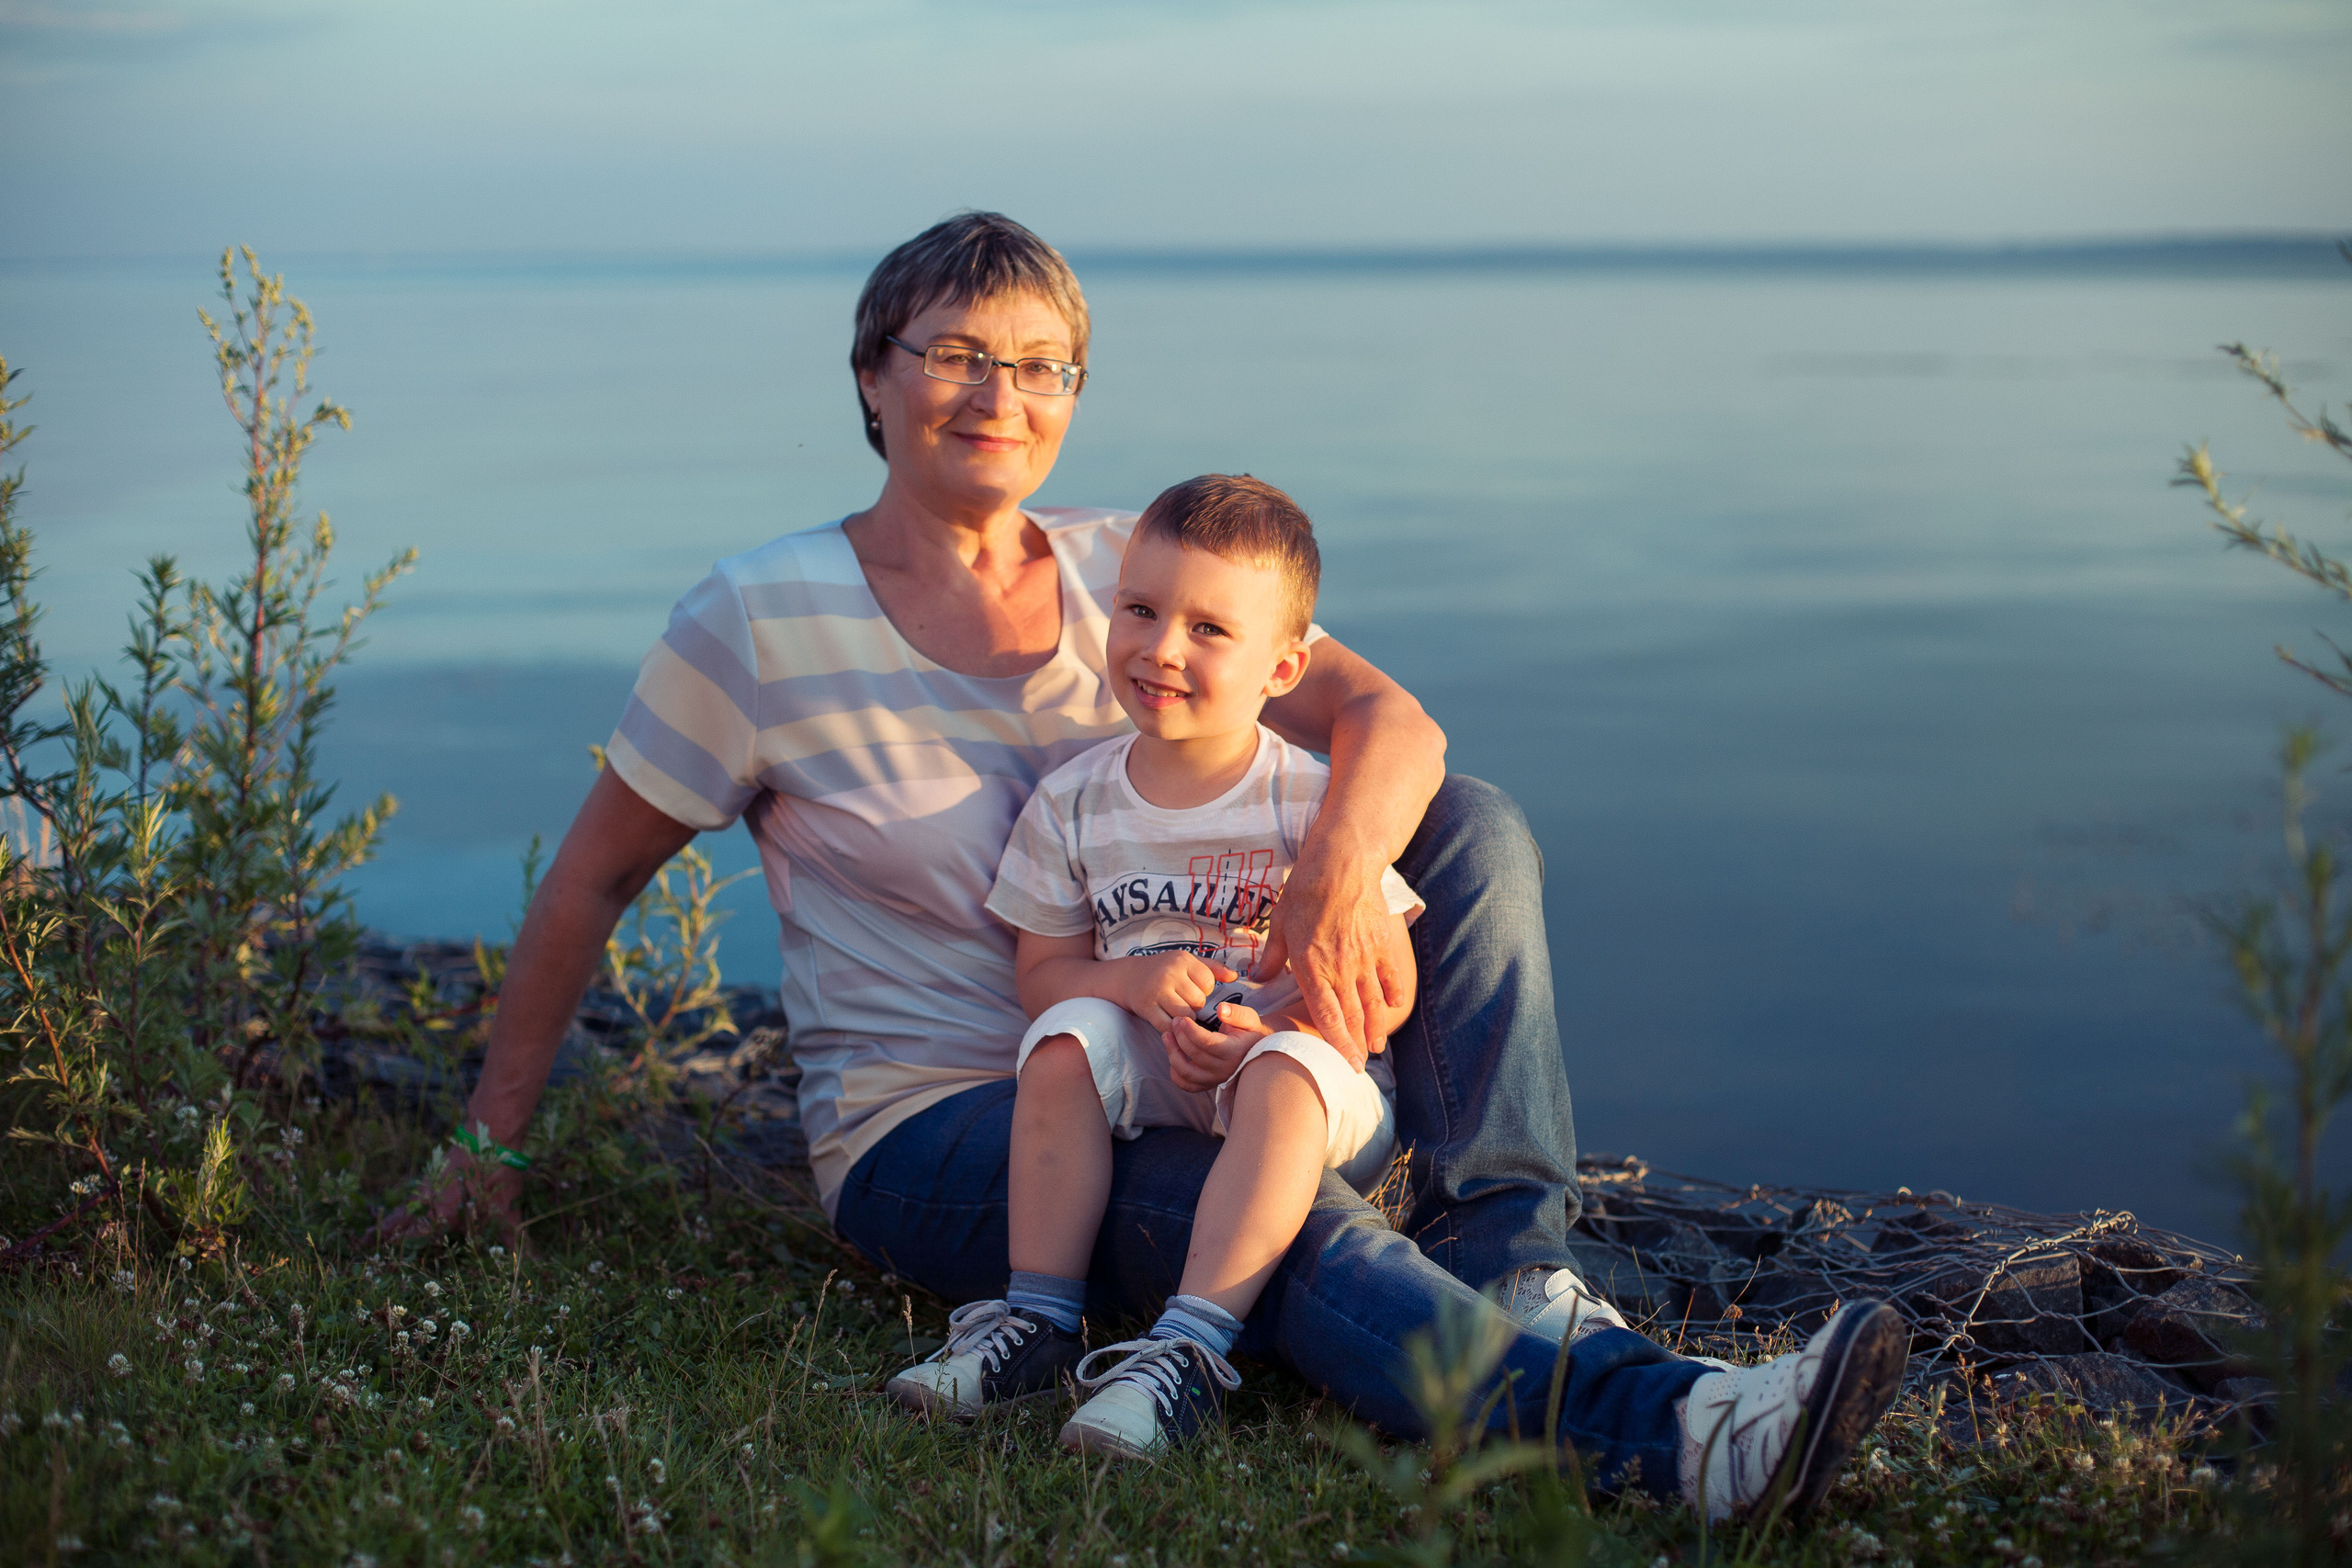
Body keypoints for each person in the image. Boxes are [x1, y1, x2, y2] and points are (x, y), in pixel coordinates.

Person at [386, 211, 1905, 1522]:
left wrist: (1328, 886)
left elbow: (1393, 724)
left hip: (1201, 1059)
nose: (1000, 394)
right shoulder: (755, 620)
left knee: (1470, 822)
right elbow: (592, 881)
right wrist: (487, 1145)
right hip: (945, 1122)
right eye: (954, 353)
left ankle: (1513, 1260)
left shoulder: (1133, 572)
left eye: (1041, 363)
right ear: (870, 376)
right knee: (1275, 1222)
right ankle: (1678, 1437)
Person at [885, 474, 1423, 1459]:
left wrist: (1274, 1030)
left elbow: (1381, 996)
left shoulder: (1311, 802)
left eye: (1208, 629)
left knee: (1284, 1072)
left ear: (1282, 667)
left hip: (1308, 1093)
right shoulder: (1073, 802)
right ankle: (1036, 1318)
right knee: (1062, 1038)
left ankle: (1190, 1349)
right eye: (1139, 609)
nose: (1161, 647)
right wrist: (1127, 984)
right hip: (1158, 1072)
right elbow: (1042, 977)